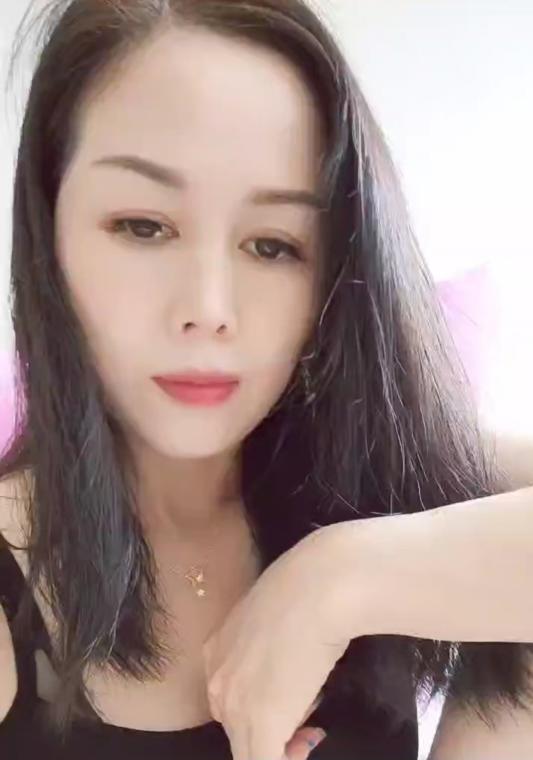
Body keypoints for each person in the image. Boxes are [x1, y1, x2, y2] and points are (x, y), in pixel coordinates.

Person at [0, 1, 531, 759]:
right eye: (144, 227)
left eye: (273, 245)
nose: (209, 309)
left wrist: (339, 581)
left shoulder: (374, 482)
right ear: (48, 232)